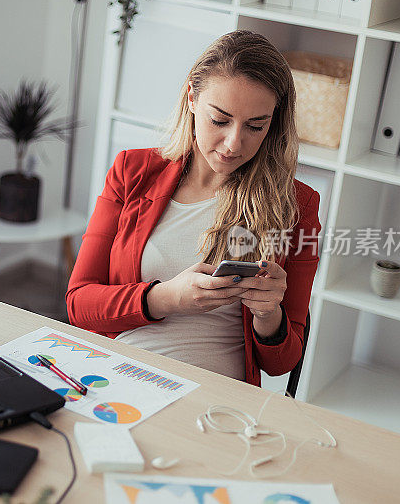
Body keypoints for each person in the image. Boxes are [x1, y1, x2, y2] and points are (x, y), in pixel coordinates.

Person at [66, 30, 321, 387]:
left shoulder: (297, 205)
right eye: (220, 120)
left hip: (214, 396)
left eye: (255, 126)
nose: (234, 143)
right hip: (119, 378)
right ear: (192, 98)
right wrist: (166, 298)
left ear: (273, 123)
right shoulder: (132, 172)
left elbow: (281, 364)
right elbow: (79, 304)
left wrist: (268, 314)